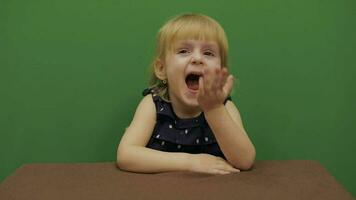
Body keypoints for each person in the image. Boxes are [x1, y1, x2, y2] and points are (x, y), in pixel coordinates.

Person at [117, 13, 255, 175]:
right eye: (184, 51)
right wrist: (190, 162)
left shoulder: (224, 107)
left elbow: (245, 161)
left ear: (220, 72)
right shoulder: (153, 104)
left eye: (208, 53)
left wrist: (214, 110)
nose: (197, 58)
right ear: (162, 69)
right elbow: (126, 156)